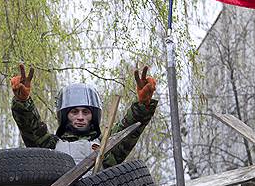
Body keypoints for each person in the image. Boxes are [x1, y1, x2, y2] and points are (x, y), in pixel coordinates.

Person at [10, 64, 157, 166]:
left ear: (93, 115)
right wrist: (22, 102)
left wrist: (142, 105)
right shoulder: (50, 147)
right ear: (65, 115)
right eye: (74, 112)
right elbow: (31, 128)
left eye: (85, 112)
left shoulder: (107, 145)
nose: (80, 117)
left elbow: (129, 129)